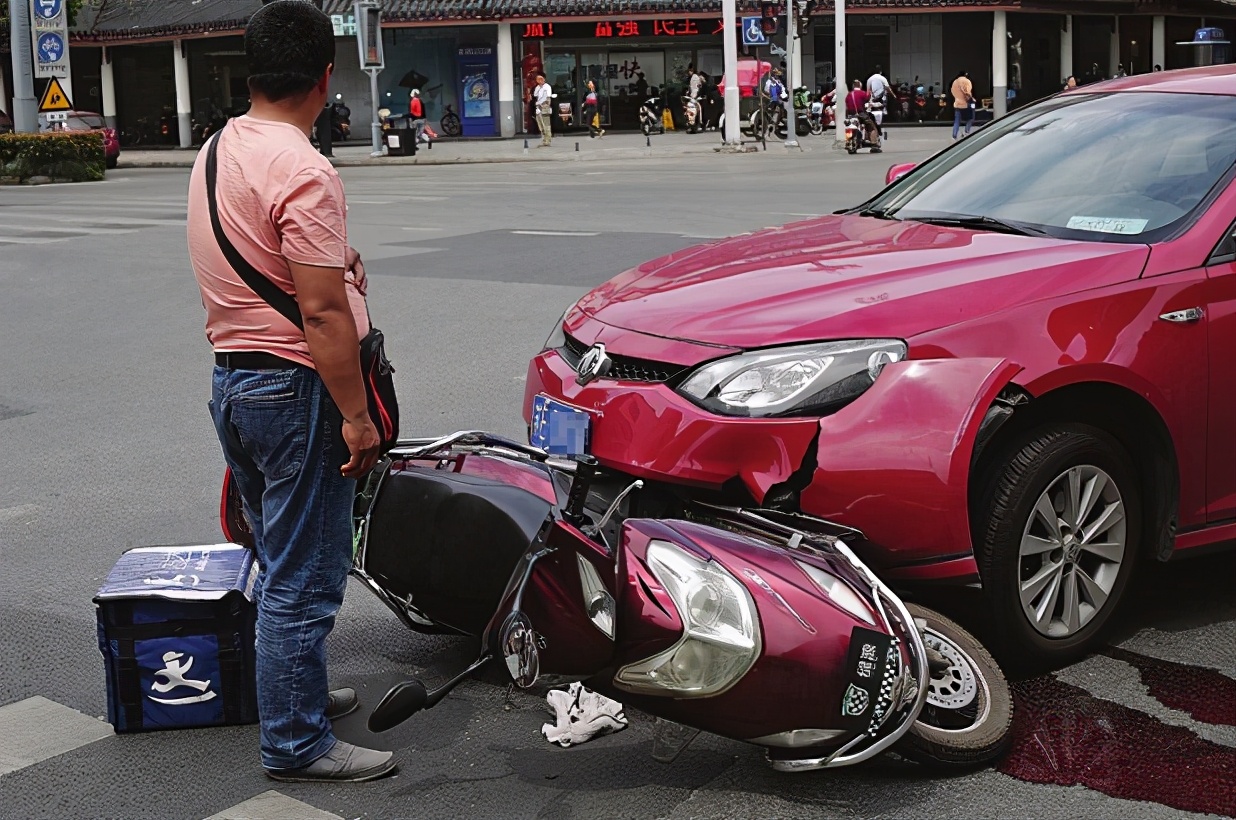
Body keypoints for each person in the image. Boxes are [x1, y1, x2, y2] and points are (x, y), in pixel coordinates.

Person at [185, 0, 395, 783]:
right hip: (295, 390)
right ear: (325, 77)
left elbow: (263, 253)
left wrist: (336, 257)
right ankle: (297, 741)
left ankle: (295, 694)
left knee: (280, 556)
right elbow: (319, 310)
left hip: (234, 384)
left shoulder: (217, 148)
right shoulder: (305, 166)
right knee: (306, 577)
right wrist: (356, 417)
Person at [845, 79, 880, 152]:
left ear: (853, 86)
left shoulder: (848, 95)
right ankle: (874, 145)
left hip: (851, 115)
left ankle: (849, 142)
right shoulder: (862, 93)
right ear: (860, 86)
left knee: (848, 127)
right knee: (871, 127)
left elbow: (847, 106)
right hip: (861, 114)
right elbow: (868, 98)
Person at [950, 69, 975, 140]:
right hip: (966, 104)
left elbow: (953, 92)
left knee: (957, 120)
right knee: (971, 118)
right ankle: (966, 132)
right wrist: (971, 98)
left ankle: (954, 135)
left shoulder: (955, 82)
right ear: (965, 75)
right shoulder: (967, 81)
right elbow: (967, 92)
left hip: (957, 103)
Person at [533, 73, 553, 147]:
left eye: (541, 79)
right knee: (540, 124)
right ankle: (544, 139)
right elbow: (535, 95)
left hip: (544, 107)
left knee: (546, 124)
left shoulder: (547, 87)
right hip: (538, 107)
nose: (540, 80)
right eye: (538, 79)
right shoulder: (537, 87)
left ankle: (548, 139)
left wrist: (545, 105)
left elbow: (548, 98)